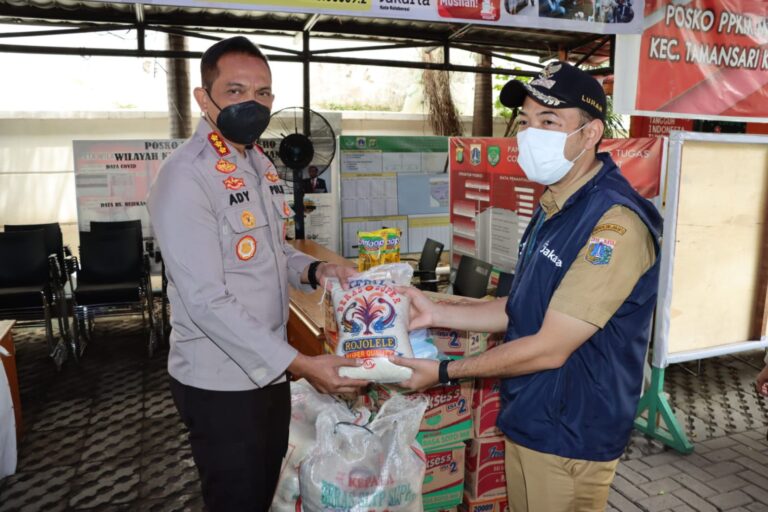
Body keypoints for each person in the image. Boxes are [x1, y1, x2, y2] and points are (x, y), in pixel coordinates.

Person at [393, 61, 663, 512]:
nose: (530, 133)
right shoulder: (555, 204)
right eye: (525, 121)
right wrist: (436, 313)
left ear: (591, 134)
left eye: (549, 121)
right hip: (533, 416)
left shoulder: (613, 225)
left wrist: (443, 372)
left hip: (571, 434)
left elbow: (550, 347)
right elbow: (521, 306)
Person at [147, 36, 368, 512]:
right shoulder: (186, 176)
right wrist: (302, 364)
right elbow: (206, 300)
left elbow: (272, 251)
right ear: (203, 98)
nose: (253, 102)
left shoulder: (255, 162)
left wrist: (317, 270)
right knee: (236, 499)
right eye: (236, 90)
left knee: (265, 489)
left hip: (270, 370)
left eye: (263, 92)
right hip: (221, 382)